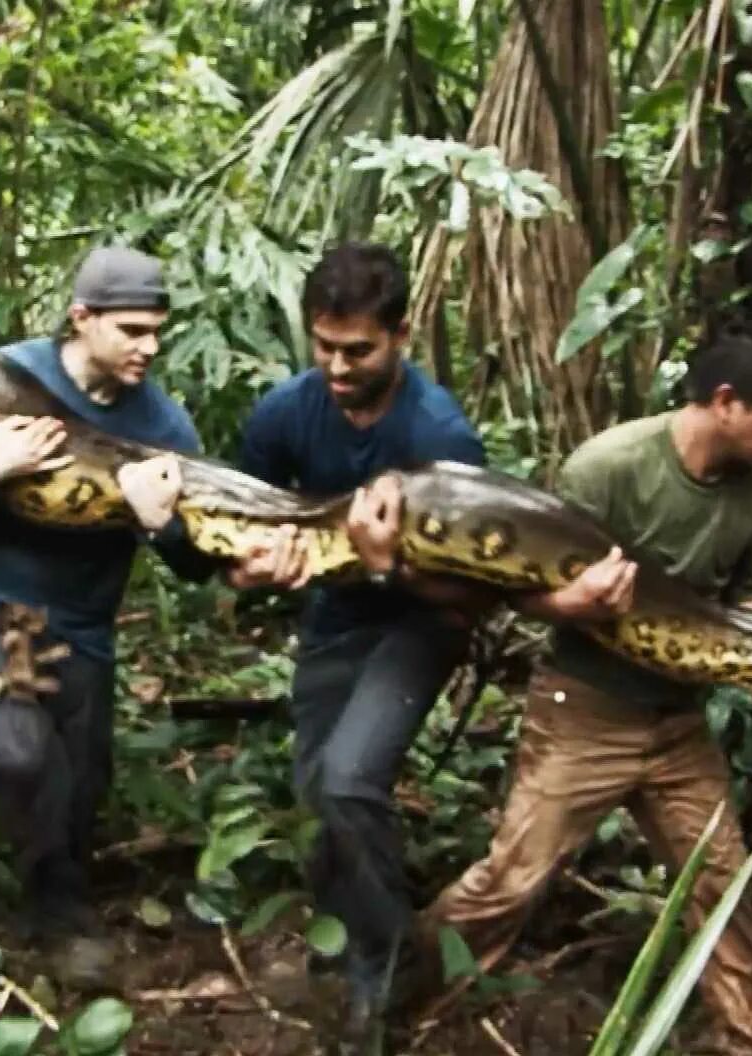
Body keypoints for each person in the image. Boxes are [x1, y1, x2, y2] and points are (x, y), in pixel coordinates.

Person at [417, 314, 752, 1056]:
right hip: (585, 710)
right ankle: (396, 1003)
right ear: (726, 401)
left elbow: (751, 589)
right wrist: (571, 605)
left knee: (722, 896)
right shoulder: (608, 468)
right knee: (510, 881)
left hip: (678, 721)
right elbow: (521, 586)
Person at [0, 246, 216, 986]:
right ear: (81, 319)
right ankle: (59, 923)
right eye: (131, 331)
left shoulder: (164, 427)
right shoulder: (7, 376)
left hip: (85, 625)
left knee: (82, 782)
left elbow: (196, 565)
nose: (149, 348)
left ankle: (41, 896)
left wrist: (162, 525)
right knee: (22, 752)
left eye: (157, 331)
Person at [228, 241, 490, 1047]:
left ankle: (385, 960)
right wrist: (252, 568)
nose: (338, 366)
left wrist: (385, 569)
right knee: (320, 797)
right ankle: (347, 935)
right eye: (325, 346)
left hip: (419, 620)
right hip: (335, 616)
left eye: (359, 350)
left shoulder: (441, 434)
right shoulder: (284, 414)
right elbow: (243, 533)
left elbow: (476, 597)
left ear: (402, 334)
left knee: (348, 781)